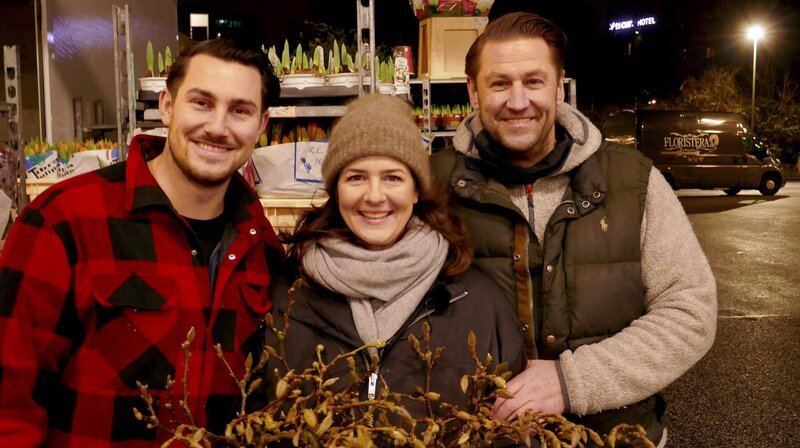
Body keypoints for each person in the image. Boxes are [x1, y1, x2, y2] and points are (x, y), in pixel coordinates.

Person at [430, 12, 717, 446]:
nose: (518, 100)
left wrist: (572, 381)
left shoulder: (632, 181)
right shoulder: (431, 186)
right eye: (499, 83)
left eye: (534, 81)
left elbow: (690, 313)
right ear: (473, 90)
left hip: (615, 437)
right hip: (480, 437)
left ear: (559, 86)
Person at [0, 38, 284, 446]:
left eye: (240, 110)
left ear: (261, 125)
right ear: (167, 106)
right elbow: (9, 400)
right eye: (201, 103)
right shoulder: (66, 221)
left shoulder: (261, 245)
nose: (218, 126)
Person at [266, 94, 525, 419]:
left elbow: (506, 427)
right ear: (336, 189)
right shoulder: (290, 295)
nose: (374, 196)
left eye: (393, 177)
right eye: (356, 177)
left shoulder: (477, 300)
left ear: (416, 190)